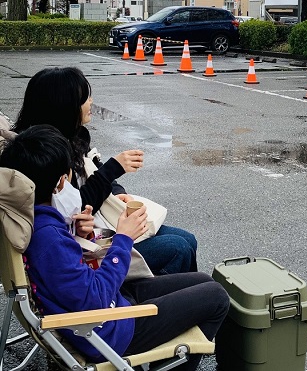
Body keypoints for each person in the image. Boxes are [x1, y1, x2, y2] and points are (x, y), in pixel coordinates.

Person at [0, 126, 229, 369]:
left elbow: (69, 277)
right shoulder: (49, 240)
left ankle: (169, 358)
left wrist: (79, 235)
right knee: (216, 298)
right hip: (107, 330)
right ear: (59, 184)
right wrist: (123, 238)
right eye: (68, 178)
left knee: (202, 280)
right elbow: (94, 299)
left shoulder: (36, 221)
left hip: (110, 306)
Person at [11, 66, 197, 275]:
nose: (91, 102)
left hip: (101, 226)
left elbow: (95, 172)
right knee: (178, 248)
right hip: (87, 246)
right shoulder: (41, 155)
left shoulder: (73, 137)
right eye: (84, 98)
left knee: (188, 239)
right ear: (64, 106)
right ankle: (146, 300)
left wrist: (117, 192)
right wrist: (114, 168)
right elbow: (74, 209)